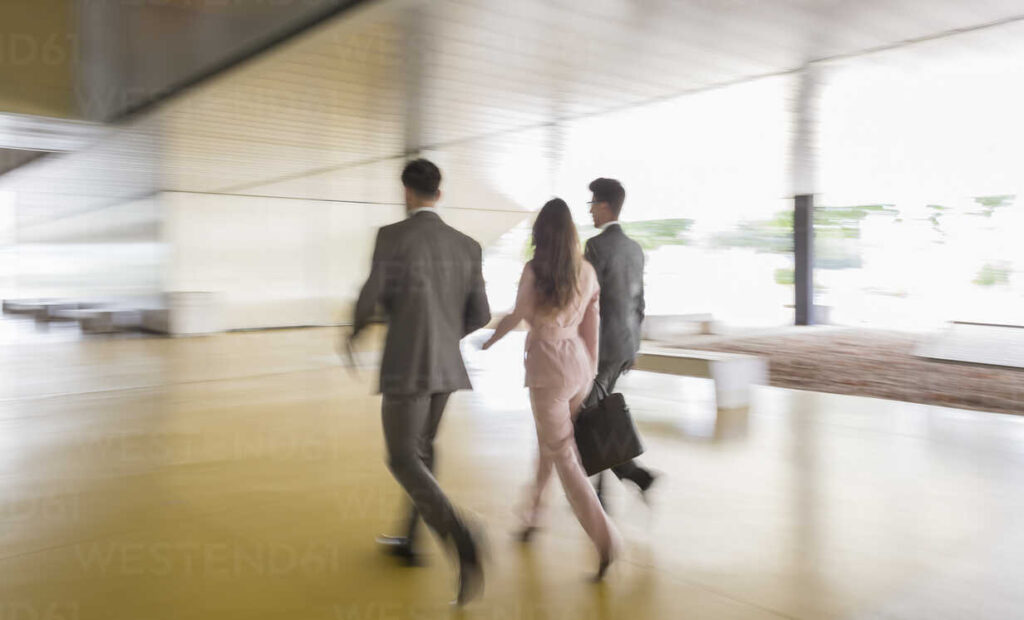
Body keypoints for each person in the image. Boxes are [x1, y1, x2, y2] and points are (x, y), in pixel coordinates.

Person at [349, 158, 490, 605]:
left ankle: (459, 534)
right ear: (439, 194)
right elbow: (481, 314)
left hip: (406, 365)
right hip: (446, 367)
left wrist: (353, 331)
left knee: (404, 459)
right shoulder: (467, 245)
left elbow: (371, 296)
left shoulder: (392, 237)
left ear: (406, 192)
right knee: (424, 451)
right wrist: (446, 336)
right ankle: (410, 540)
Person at [482, 198, 620, 581]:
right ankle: (532, 516)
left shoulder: (535, 269)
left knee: (563, 457)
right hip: (577, 365)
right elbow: (592, 323)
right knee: (549, 445)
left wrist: (489, 341)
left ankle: (606, 540)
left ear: (541, 233)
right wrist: (590, 369)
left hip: (547, 368)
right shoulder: (587, 270)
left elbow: (518, 314)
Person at [582, 178, 658, 506]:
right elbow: (639, 302)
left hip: (601, 346)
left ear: (603, 206)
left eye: (592, 206)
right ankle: (605, 487)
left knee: (587, 414)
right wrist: (634, 346)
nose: (590, 212)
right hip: (624, 345)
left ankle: (633, 473)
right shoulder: (634, 249)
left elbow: (587, 300)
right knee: (600, 412)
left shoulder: (595, 247)